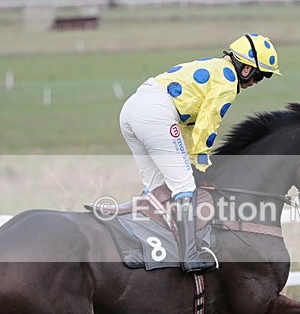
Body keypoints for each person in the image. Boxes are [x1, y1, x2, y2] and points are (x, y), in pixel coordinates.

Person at [119, 34, 281, 274]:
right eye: (260, 75)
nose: (258, 81)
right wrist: (200, 164)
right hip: (155, 113)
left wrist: (190, 158)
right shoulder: (227, 84)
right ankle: (190, 256)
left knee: (157, 190)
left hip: (132, 110)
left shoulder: (214, 67)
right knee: (184, 185)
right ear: (246, 69)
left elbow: (188, 127)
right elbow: (207, 126)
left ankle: (139, 245)